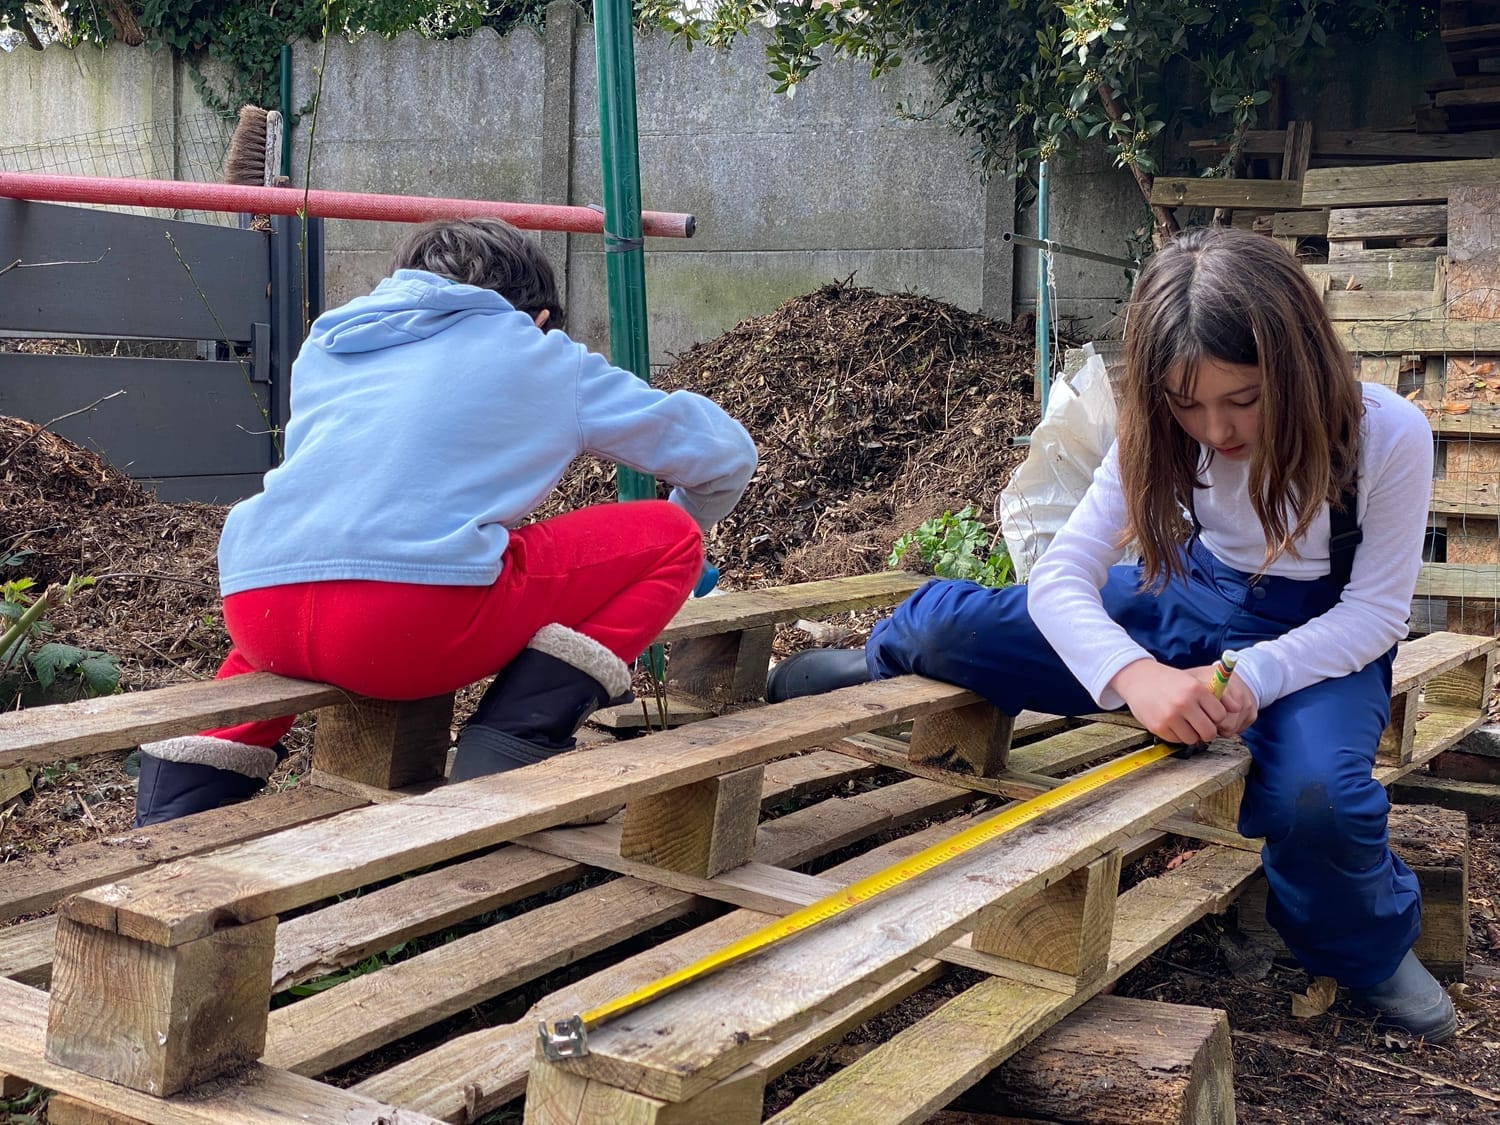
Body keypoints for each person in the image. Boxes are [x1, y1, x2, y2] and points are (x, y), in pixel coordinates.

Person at [768, 226, 1454, 1041]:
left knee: (1322, 801)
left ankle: (1365, 946)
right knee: (955, 629)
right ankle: (874, 659)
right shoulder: (1157, 426)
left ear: (1298, 364)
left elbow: (1375, 616)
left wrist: (1254, 677)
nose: (1216, 429)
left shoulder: (1387, 433)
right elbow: (1061, 577)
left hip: (1319, 638)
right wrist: (1137, 676)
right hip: (1187, 597)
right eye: (1189, 403)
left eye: (1243, 399)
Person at [135, 218, 757, 826]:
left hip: (259, 606)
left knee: (322, 584)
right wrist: (691, 529)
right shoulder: (535, 351)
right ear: (536, 318)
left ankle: (173, 809)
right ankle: (518, 745)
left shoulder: (331, 340)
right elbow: (724, 455)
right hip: (406, 630)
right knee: (668, 538)